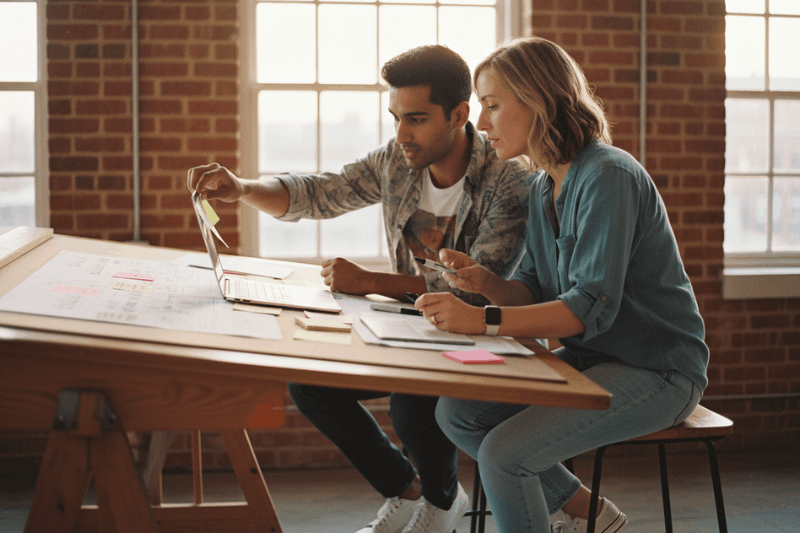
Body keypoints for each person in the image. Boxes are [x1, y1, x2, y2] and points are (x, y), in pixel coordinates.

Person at [188, 45, 532, 533]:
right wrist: (242, 188)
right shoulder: (397, 160)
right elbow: (319, 193)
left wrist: (370, 283)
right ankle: (406, 490)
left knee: (411, 404)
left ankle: (441, 503)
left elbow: (475, 292)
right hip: (413, 329)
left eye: (416, 119)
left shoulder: (507, 177)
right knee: (312, 386)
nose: (402, 134)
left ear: (459, 114)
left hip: (481, 337)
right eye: (396, 118)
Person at [414, 37, 709, 533]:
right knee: (458, 413)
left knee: (505, 455)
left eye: (492, 105)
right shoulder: (541, 185)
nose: (480, 123)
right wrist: (486, 283)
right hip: (594, 360)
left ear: (539, 100)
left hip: (659, 371)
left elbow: (584, 307)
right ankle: (588, 514)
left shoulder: (608, 175)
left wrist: (481, 321)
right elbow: (533, 288)